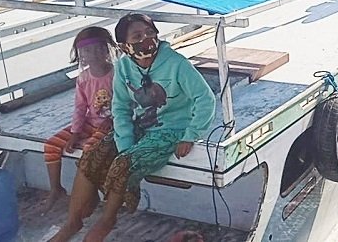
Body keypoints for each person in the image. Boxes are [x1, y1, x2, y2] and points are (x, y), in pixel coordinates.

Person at [50, 13, 216, 242]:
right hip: (142, 125)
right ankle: (73, 222)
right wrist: (125, 142)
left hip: (171, 129)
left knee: (124, 164)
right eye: (137, 36)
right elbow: (120, 107)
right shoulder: (124, 67)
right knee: (92, 155)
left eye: (150, 33)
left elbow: (205, 98)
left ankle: (107, 218)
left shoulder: (176, 63)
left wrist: (191, 134)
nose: (146, 39)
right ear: (124, 46)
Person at [42, 27, 118, 214]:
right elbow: (80, 107)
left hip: (112, 125)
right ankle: (56, 188)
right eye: (87, 50)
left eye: (99, 48)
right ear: (80, 55)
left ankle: (91, 192)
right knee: (51, 145)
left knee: (90, 150)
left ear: (107, 49)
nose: (93, 54)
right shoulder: (83, 78)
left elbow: (127, 103)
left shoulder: (117, 74)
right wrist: (75, 133)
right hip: (90, 122)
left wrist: (115, 121)